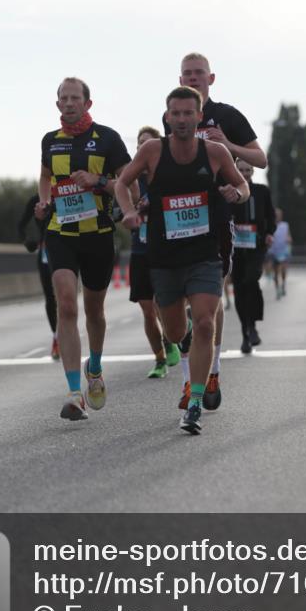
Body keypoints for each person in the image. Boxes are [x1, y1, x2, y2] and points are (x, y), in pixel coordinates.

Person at [116, 85, 249, 434]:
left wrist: (237, 191)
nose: (182, 119)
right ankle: (183, 331)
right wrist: (129, 211)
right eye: (175, 113)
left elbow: (244, 186)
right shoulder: (152, 151)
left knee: (207, 323)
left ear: (199, 116)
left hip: (204, 252)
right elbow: (122, 182)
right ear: (167, 117)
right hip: (164, 256)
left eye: (189, 113)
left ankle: (194, 403)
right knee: (175, 333)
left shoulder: (216, 152)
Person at [163, 53, 266, 411]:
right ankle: (197, 372)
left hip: (217, 217)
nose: (193, 79)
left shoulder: (227, 116)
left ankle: (209, 373)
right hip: (176, 219)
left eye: (199, 74)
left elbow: (260, 159)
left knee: (209, 300)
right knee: (182, 309)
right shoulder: (175, 115)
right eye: (187, 74)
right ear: (180, 78)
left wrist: (228, 146)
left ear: (211, 78)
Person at [35, 78, 131, 421]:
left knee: (93, 309)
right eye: (64, 98)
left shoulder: (107, 138)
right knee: (65, 303)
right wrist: (44, 202)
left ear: (88, 103)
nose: (69, 103)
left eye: (75, 98)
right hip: (60, 231)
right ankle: (74, 392)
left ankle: (95, 367)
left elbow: (127, 181)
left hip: (99, 233)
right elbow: (45, 177)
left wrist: (99, 182)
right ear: (57, 103)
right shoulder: (50, 141)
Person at [128, 125, 182, 378]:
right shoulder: (130, 178)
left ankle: (173, 338)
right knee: (147, 310)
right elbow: (119, 210)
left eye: (148, 143)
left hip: (165, 249)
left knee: (164, 303)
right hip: (139, 250)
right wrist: (131, 211)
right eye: (139, 143)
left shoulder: (167, 174)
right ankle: (160, 359)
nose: (143, 147)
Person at [231, 161, 276, 353]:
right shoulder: (229, 191)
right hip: (235, 247)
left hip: (256, 245)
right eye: (240, 170)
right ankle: (246, 333)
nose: (244, 173)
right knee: (240, 288)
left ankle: (253, 325)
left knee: (251, 280)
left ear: (253, 172)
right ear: (234, 170)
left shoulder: (261, 191)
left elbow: (270, 215)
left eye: (247, 170)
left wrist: (270, 233)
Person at [17, 193, 58, 358]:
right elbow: (20, 225)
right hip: (46, 251)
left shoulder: (66, 191)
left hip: (69, 248)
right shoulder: (36, 199)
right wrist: (27, 242)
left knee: (66, 297)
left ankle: (67, 333)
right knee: (50, 297)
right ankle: (57, 338)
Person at [269, 208, 292, 299]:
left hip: (284, 252)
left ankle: (283, 285)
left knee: (283, 271)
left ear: (281, 216)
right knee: (275, 273)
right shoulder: (270, 225)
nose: (277, 216)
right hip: (274, 252)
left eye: (278, 215)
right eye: (275, 215)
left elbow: (289, 236)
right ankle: (277, 290)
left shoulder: (285, 225)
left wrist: (289, 239)